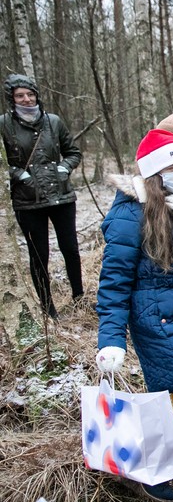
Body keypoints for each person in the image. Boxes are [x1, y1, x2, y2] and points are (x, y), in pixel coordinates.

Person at [95, 129, 173, 502]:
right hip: (156, 320)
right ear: (154, 173)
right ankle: (148, 465)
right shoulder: (130, 215)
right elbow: (113, 284)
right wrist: (111, 340)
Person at [1, 74, 83, 320]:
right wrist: (19, 175)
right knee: (39, 256)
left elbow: (73, 152)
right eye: (20, 95)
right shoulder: (4, 124)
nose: (26, 99)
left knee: (70, 249)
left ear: (37, 95)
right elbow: (3, 163)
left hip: (61, 197)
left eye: (30, 94)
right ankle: (48, 308)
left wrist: (64, 168)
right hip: (28, 201)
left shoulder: (53, 122)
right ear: (12, 99)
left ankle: (79, 297)